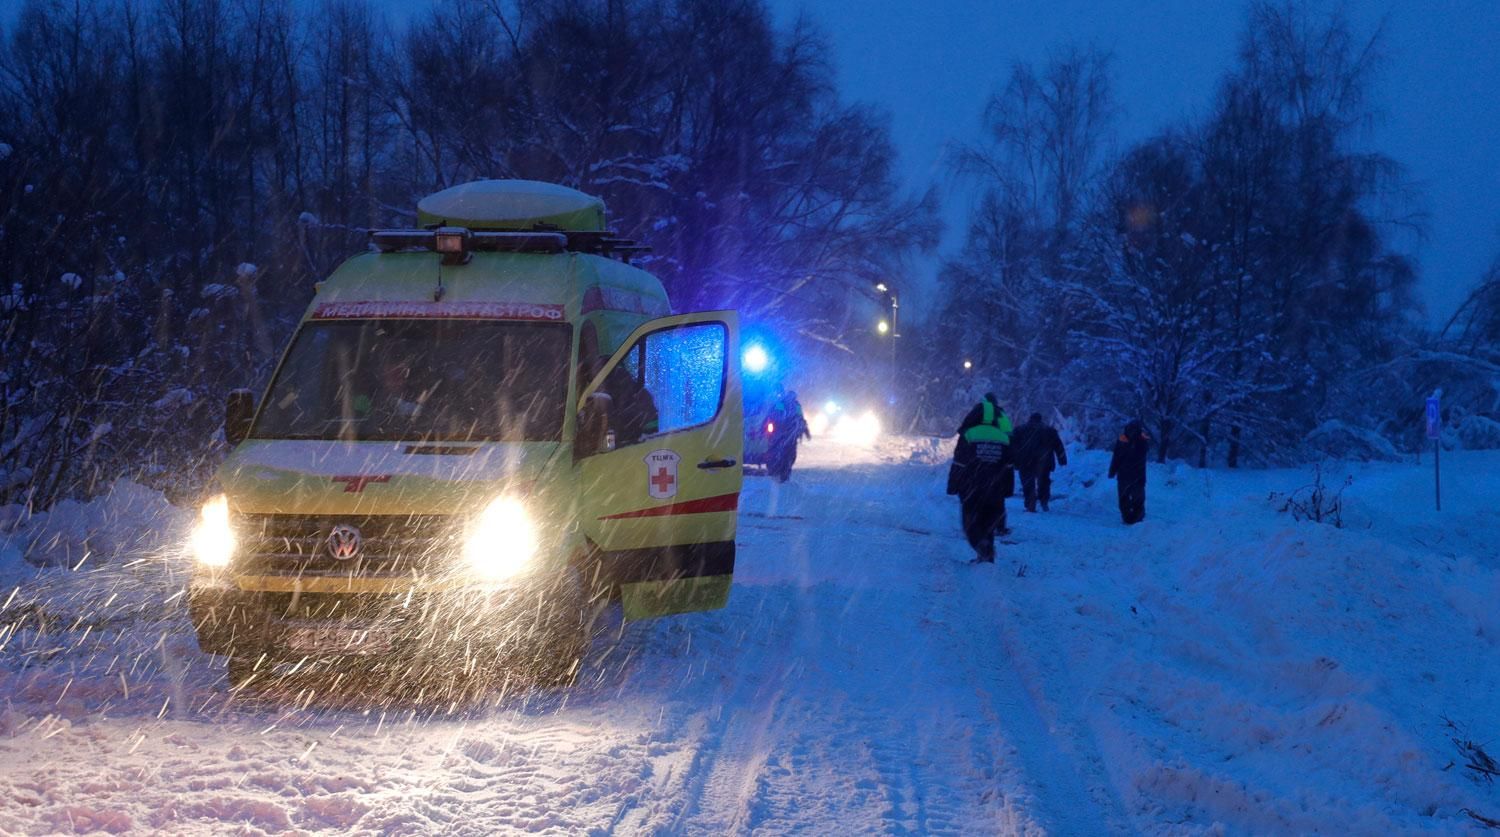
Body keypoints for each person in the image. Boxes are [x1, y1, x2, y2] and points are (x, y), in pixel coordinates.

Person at [947, 393, 1014, 563]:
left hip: (972, 486)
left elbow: (959, 462)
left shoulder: (969, 435)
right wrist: (1008, 489)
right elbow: (1008, 465)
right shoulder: (1003, 436)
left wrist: (953, 485)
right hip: (995, 486)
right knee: (988, 521)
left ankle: (981, 549)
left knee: (970, 522)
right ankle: (987, 555)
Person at [1010, 412, 1067, 512]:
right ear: (1040, 419)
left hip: (1026, 460)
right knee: (1044, 481)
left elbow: (1012, 445)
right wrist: (1062, 459)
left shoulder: (1020, 429)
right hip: (1044, 461)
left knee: (1027, 482)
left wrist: (1011, 459)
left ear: (1030, 419)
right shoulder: (1050, 430)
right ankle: (1044, 501)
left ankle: (1030, 503)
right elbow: (1058, 446)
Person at [1108, 419, 1151, 525]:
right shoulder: (1142, 440)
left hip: (1125, 475)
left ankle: (1128, 518)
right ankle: (1136, 518)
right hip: (1137, 476)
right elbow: (1118, 456)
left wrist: (1112, 471)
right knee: (1137, 499)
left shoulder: (1123, 440)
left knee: (1124, 498)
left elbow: (1116, 457)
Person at [766, 389, 811, 482]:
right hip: (785, 434)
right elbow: (799, 418)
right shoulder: (793, 405)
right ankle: (783, 471)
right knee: (787, 455)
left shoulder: (787, 404)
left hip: (784, 434)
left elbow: (799, 418)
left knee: (786, 454)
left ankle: (782, 471)